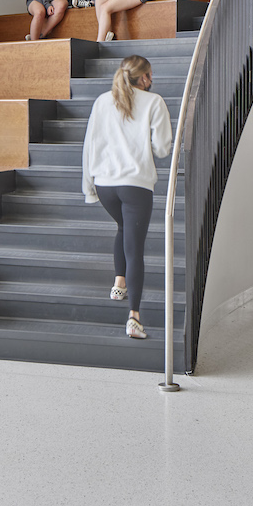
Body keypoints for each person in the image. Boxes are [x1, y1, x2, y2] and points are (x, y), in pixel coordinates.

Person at [81, 55, 173, 339]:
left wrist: (89, 187)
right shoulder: (154, 101)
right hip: (136, 186)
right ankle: (134, 317)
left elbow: (89, 145)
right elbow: (162, 149)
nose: (152, 79)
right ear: (143, 77)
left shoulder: (102, 101)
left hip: (106, 185)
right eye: (150, 74)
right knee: (135, 250)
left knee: (122, 229)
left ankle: (119, 283)